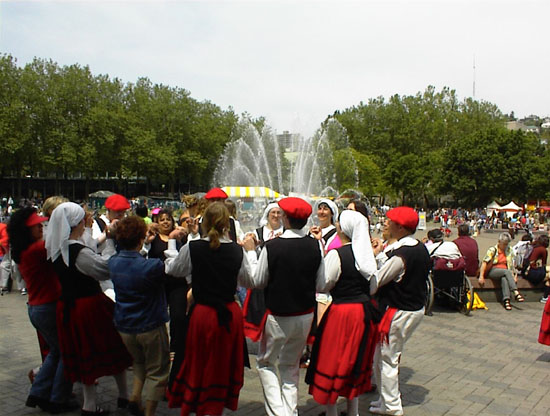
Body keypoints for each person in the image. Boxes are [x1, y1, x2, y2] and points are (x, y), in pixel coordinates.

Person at [164, 202, 255, 416]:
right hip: (227, 313)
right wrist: (251, 254)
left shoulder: (193, 247)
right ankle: (214, 407)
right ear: (227, 224)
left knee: (199, 361)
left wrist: (170, 246)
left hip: (203, 313)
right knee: (221, 364)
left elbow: (175, 270)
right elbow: (250, 281)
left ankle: (200, 403)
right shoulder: (236, 250)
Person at [46, 202, 132, 415]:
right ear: (76, 223)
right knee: (112, 348)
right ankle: (113, 398)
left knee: (83, 355)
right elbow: (103, 270)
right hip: (89, 306)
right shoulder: (77, 252)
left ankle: (91, 403)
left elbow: (89, 247)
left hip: (69, 307)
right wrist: (111, 244)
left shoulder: (56, 249)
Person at [247, 197, 325, 416]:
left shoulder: (273, 247)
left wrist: (252, 253)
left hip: (278, 315)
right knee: (290, 365)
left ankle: (279, 412)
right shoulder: (315, 245)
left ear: (285, 218)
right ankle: (289, 411)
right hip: (305, 315)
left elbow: (258, 281)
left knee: (265, 363)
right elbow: (322, 283)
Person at [306, 210, 379, 416]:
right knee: (355, 361)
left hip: (342, 314)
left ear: (342, 229)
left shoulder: (338, 254)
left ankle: (331, 413)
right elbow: (373, 287)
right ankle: (353, 411)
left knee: (334, 361)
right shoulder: (366, 255)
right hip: (364, 314)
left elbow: (323, 284)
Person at [8, 207, 77, 413]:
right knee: (67, 351)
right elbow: (62, 244)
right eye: (36, 225)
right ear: (25, 230)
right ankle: (58, 398)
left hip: (37, 307)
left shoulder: (23, 250)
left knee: (55, 352)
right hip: (49, 306)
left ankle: (39, 392)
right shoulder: (38, 249)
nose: (40, 227)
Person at [370, 206, 431, 416]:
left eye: (389, 221)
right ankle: (384, 400)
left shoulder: (401, 255)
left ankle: (392, 406)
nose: (385, 224)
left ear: (400, 227)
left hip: (397, 311)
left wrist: (375, 256)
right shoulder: (417, 247)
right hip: (412, 308)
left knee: (387, 358)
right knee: (382, 356)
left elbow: (376, 281)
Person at [109, 216, 170, 416]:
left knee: (138, 362)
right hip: (150, 324)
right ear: (140, 239)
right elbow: (169, 268)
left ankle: (135, 397)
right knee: (158, 371)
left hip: (125, 324)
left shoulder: (113, 262)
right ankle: (149, 412)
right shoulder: (151, 266)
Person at [478, 232, 525, 311]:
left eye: (507, 244)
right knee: (506, 272)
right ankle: (515, 292)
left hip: (505, 272)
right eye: (504, 244)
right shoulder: (493, 250)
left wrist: (515, 275)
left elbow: (512, 265)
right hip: (493, 270)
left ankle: (506, 301)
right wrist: (481, 276)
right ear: (499, 242)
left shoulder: (509, 250)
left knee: (504, 278)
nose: (505, 246)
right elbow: (484, 263)